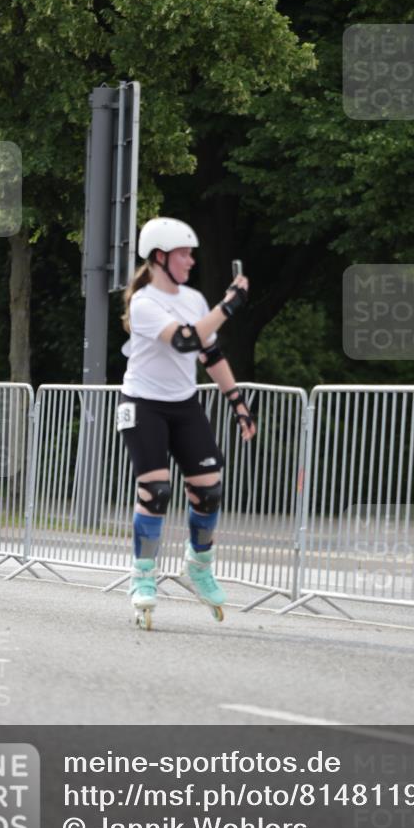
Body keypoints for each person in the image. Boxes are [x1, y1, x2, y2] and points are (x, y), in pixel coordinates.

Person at [117, 216, 256, 629]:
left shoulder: (194, 299)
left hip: (183, 403)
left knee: (209, 490)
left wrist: (238, 402)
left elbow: (209, 354)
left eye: (192, 254)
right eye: (184, 254)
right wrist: (228, 306)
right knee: (155, 489)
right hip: (143, 404)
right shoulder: (144, 303)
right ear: (159, 257)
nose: (191, 261)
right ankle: (142, 577)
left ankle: (198, 566)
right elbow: (185, 340)